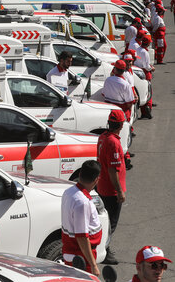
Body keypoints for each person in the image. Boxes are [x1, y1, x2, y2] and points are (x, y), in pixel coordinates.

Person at [61, 160, 102, 276]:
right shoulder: (82, 202)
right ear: (96, 180)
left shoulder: (68, 192)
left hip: (74, 253)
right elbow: (82, 237)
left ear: (80, 175)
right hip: (81, 258)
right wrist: (93, 265)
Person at [96, 109, 127, 265]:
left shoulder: (103, 137)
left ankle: (105, 248)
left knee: (106, 221)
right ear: (120, 125)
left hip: (102, 186)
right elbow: (112, 169)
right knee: (110, 224)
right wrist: (120, 191)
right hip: (111, 190)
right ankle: (105, 252)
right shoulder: (113, 142)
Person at [135, 35, 155, 119]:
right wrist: (152, 68)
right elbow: (147, 66)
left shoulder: (138, 50)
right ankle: (147, 110)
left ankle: (144, 111)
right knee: (148, 92)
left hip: (139, 72)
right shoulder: (145, 52)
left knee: (143, 91)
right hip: (146, 73)